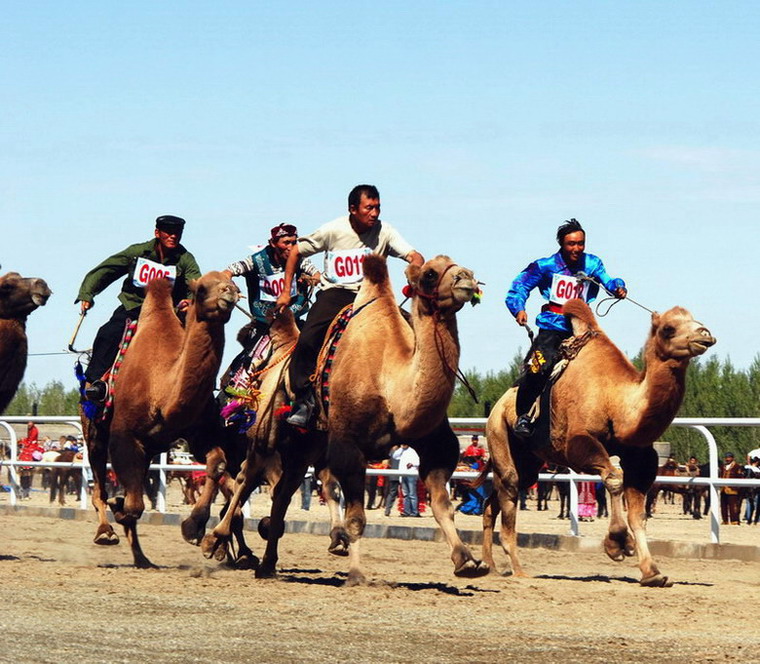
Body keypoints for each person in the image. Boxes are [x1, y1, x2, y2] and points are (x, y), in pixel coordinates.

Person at [275, 184, 424, 428]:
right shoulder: (333, 230)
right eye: (369, 208)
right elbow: (295, 253)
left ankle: (413, 399)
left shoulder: (385, 231)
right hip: (336, 293)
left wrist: (414, 269)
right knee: (308, 339)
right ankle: (304, 400)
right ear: (353, 209)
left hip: (373, 296)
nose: (374, 213)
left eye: (377, 207)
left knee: (414, 332)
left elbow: (414, 255)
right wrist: (285, 292)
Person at [506, 218, 627, 439]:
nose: (577, 249)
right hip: (552, 327)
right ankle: (524, 415)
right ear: (562, 244)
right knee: (538, 366)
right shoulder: (545, 266)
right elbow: (519, 286)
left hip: (583, 328)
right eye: (572, 244)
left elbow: (608, 281)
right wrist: (518, 309)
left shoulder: (592, 264)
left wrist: (617, 287)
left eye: (581, 243)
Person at [76, 215, 201, 403]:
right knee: (107, 334)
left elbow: (196, 282)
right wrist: (87, 294)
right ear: (157, 233)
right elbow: (107, 269)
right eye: (168, 232)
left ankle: (200, 393)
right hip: (133, 307)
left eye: (177, 233)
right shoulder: (137, 252)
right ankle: (96, 383)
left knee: (197, 344)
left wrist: (191, 300)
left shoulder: (186, 259)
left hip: (170, 314)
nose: (173, 236)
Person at [219, 223, 319, 385]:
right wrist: (229, 283)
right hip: (265, 325)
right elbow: (229, 270)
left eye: (294, 242)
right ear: (273, 243)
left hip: (293, 322)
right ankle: (237, 392)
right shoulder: (256, 260)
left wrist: (311, 279)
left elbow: (317, 275)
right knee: (251, 363)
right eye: (286, 243)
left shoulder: (299, 260)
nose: (290, 247)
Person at [720, 452, 744, 525]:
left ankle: (734, 520)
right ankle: (725, 520)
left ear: (732, 458)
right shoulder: (723, 466)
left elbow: (740, 477)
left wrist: (738, 487)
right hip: (723, 489)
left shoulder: (737, 467)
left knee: (733, 506)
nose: (727, 459)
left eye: (729, 457)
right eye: (726, 457)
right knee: (723, 506)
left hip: (733, 489)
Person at [398, 443, 421, 517]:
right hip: (403, 474)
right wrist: (400, 449)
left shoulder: (413, 451)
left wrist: (412, 464)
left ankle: (414, 512)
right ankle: (406, 511)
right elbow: (394, 456)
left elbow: (418, 461)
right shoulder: (401, 451)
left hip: (411, 474)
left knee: (412, 494)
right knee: (406, 494)